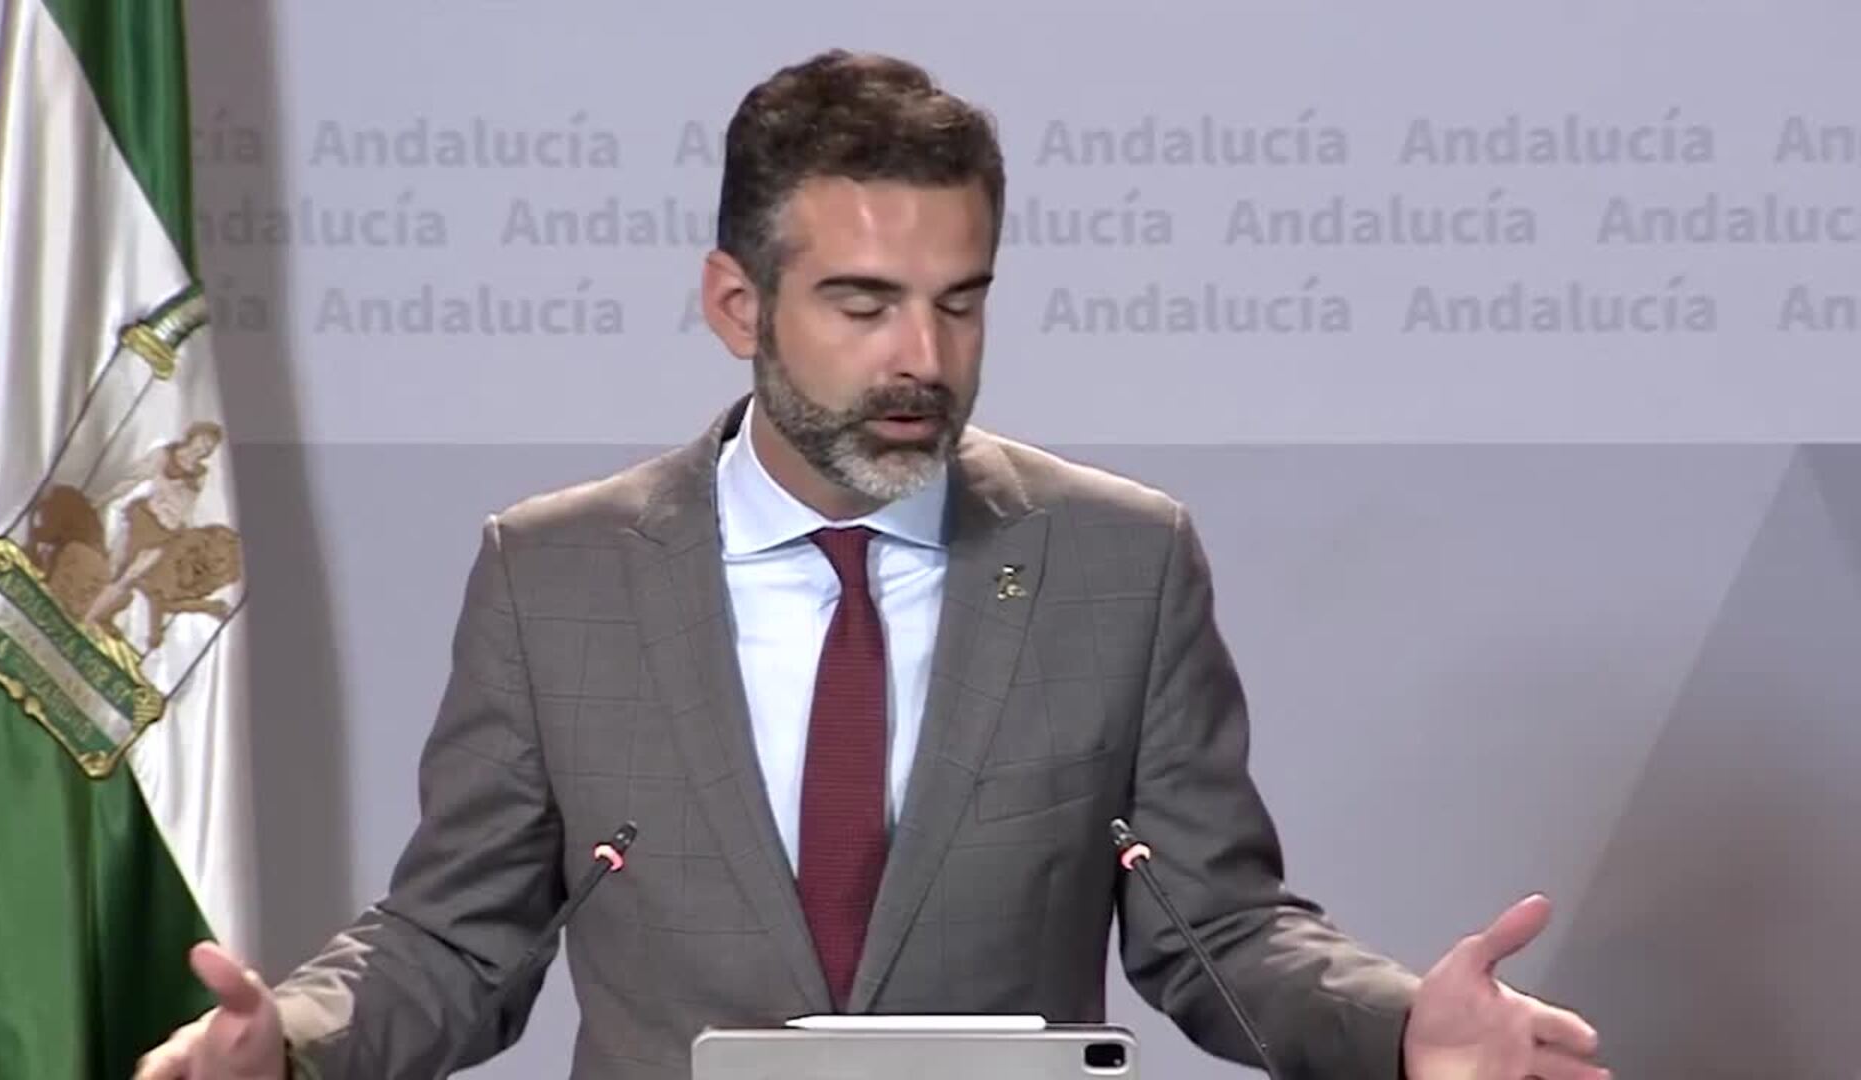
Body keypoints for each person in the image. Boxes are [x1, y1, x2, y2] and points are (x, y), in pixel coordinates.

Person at [135, 49, 1608, 1080]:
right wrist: (296, 1050)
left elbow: (1213, 927)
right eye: (863, 304)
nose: (924, 358)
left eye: (959, 303)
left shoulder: (1118, 562)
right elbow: (460, 942)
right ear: (737, 305)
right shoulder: (556, 575)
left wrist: (1399, 1031)